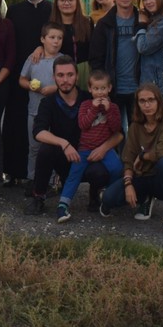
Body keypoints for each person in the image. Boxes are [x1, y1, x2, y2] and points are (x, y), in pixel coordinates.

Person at [24, 58, 117, 219]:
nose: (65, 80)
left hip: (88, 155)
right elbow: (38, 132)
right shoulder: (49, 102)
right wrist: (63, 143)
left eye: (69, 75)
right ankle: (39, 195)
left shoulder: (92, 98)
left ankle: (95, 195)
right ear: (54, 77)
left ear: (77, 76)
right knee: (46, 150)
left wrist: (103, 148)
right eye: (60, 75)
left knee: (101, 171)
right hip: (64, 157)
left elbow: (119, 133)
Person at [96, 83, 163, 233]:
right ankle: (145, 198)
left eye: (151, 100)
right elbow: (128, 158)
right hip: (141, 177)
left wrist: (143, 156)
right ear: (137, 104)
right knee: (109, 199)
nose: (147, 105)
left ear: (158, 101)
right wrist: (128, 184)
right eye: (142, 101)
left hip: (162, 180)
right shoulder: (136, 125)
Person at [3, 0, 54, 186]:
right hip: (19, 76)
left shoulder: (52, 10)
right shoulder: (13, 11)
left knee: (43, 124)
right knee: (15, 123)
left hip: (47, 78)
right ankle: (13, 171)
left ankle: (43, 174)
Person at [54, 70, 124, 222]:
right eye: (96, 89)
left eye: (103, 88)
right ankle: (63, 205)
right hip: (85, 149)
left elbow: (116, 128)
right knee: (74, 174)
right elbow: (83, 124)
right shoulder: (85, 105)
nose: (100, 93)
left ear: (109, 88)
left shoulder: (114, 108)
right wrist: (93, 109)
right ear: (90, 89)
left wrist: (108, 110)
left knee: (117, 168)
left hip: (105, 149)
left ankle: (107, 196)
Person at [88, 0, 139, 134]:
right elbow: (96, 58)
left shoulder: (143, 20)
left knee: (137, 131)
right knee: (115, 131)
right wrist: (102, 86)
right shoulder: (105, 24)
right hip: (113, 87)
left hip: (138, 87)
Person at [18, 24, 65, 178]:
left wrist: (55, 88)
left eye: (59, 38)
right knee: (34, 147)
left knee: (52, 146)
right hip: (34, 110)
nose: (56, 41)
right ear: (42, 39)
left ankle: (51, 180)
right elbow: (22, 79)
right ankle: (32, 177)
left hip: (55, 112)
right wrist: (30, 85)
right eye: (52, 37)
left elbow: (70, 83)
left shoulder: (63, 60)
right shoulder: (34, 58)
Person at [48, 0, 93, 70]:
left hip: (84, 71)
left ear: (77, 2)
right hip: (60, 71)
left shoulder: (88, 23)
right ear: (57, 3)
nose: (66, 3)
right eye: (62, 0)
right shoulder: (51, 25)